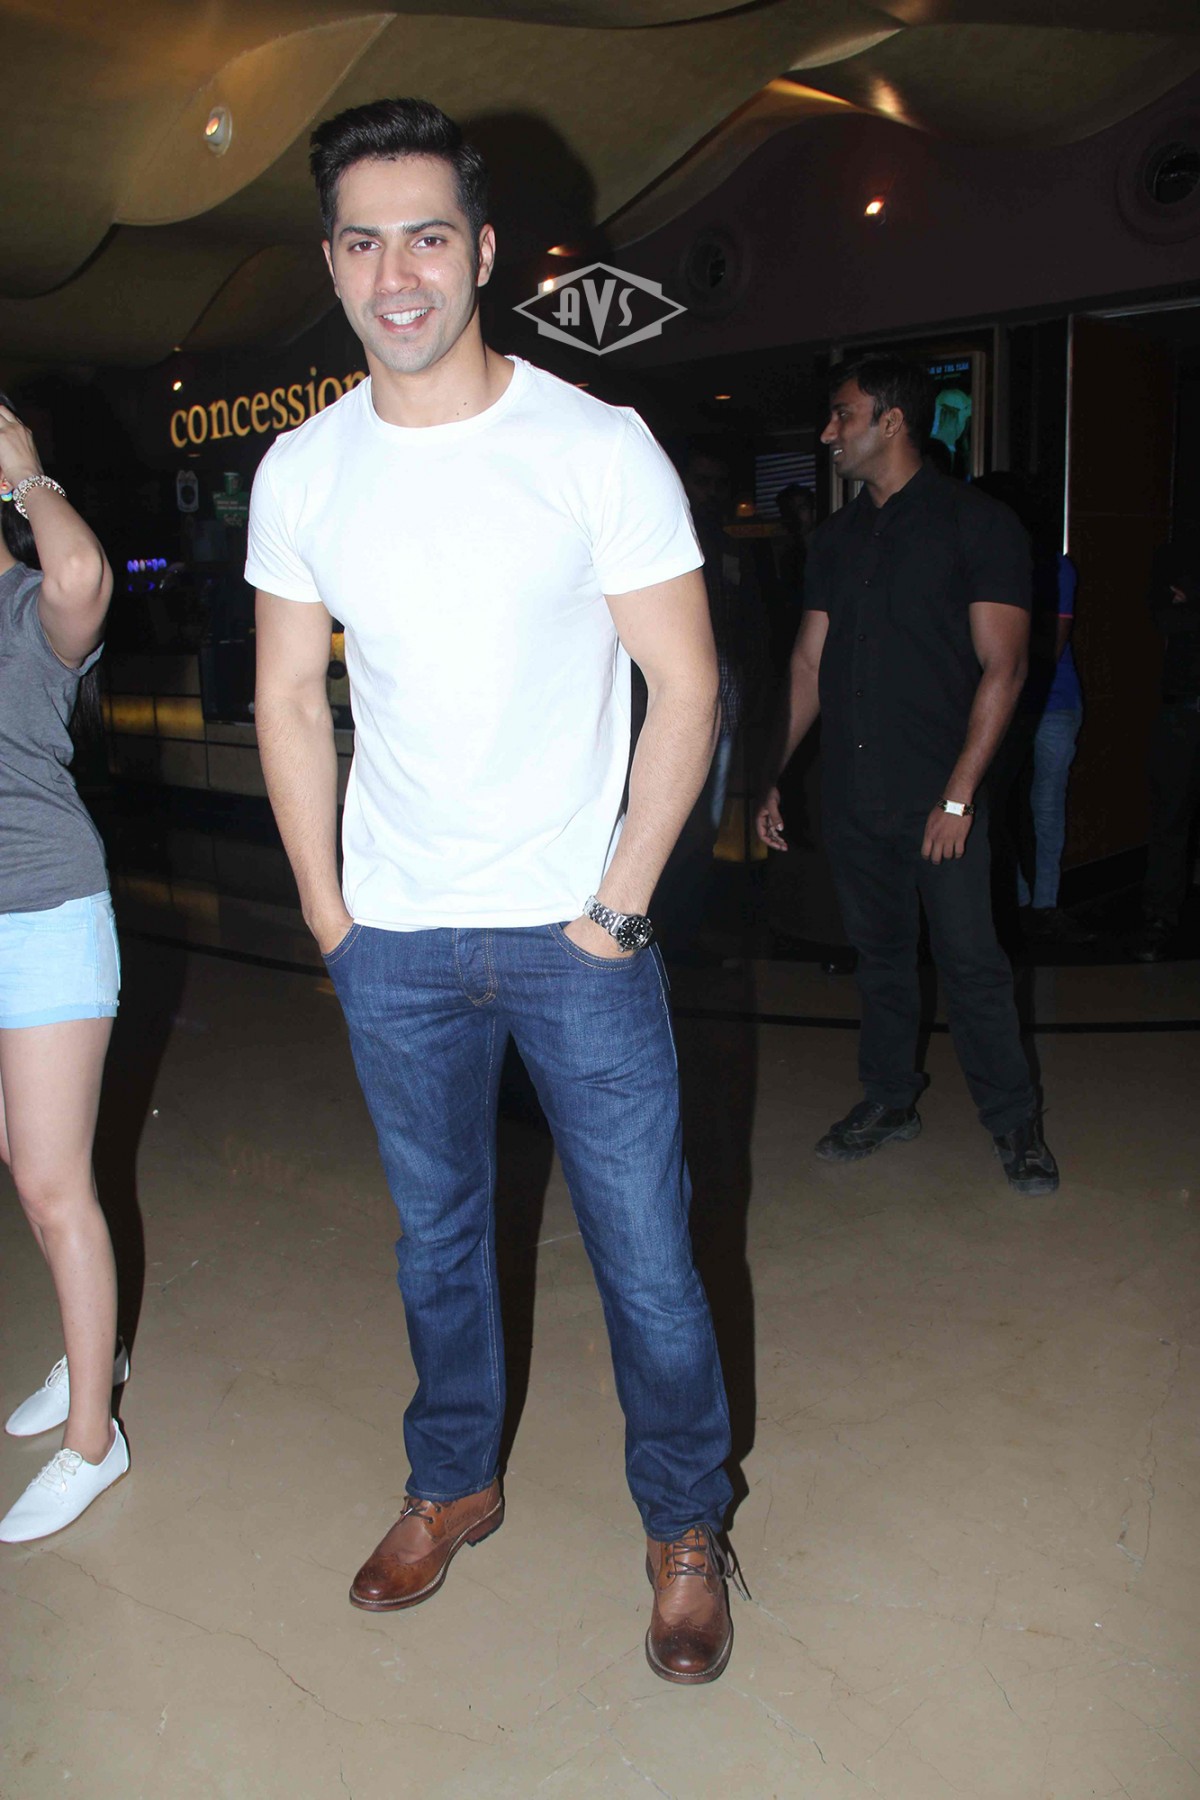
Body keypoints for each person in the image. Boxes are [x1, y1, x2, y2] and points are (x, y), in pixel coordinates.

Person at [247, 97, 739, 1684]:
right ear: (332, 260)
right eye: (363, 241)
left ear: (483, 253)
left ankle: (685, 1521)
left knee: (647, 1258)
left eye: (427, 237)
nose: (396, 274)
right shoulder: (303, 470)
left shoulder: (592, 445)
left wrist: (617, 912)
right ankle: (452, 1479)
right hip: (393, 940)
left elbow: (687, 688)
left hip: (575, 938)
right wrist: (329, 913)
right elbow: (284, 700)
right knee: (437, 1242)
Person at [755, 356, 1059, 1196]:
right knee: (880, 958)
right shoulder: (835, 539)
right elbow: (809, 665)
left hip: (940, 795)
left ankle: (1015, 1122)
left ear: (892, 421)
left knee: (971, 963)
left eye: (843, 415)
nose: (829, 432)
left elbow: (1006, 667)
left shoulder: (977, 524)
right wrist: (772, 772)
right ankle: (891, 1101)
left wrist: (959, 796)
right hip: (855, 794)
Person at [0, 401, 128, 1544]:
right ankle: (91, 1356)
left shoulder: (32, 610)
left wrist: (25, 469)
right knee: (25, 1163)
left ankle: (95, 1439)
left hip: (43, 913)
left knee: (54, 1181)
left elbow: (84, 569)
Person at [976, 471, 1091, 945]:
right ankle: (1021, 900)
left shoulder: (1054, 567)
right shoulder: (992, 564)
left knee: (1043, 806)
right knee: (998, 805)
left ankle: (1044, 904)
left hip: (1053, 703)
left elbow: (1050, 647)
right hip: (1011, 701)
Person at [1132, 528, 1200, 962]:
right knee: (1169, 820)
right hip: (1182, 710)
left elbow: (1181, 616)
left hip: (1182, 709)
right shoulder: (1179, 550)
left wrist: (1191, 603)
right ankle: (1158, 919)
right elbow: (1164, 618)